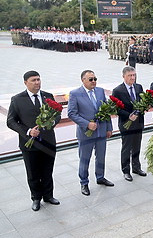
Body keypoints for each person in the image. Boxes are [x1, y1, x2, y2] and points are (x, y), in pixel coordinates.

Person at [7, 71, 61, 211]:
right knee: (33, 172)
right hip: (29, 144)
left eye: (38, 79)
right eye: (33, 80)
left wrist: (51, 123)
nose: (37, 82)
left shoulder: (47, 96)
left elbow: (57, 115)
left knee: (47, 171)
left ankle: (48, 196)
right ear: (25, 82)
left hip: (48, 141)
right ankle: (36, 197)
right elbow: (11, 121)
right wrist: (28, 131)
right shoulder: (17, 99)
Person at [68, 70, 114, 196]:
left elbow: (106, 109)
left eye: (95, 79)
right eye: (90, 79)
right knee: (84, 159)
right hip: (86, 133)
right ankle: (84, 182)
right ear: (83, 80)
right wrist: (87, 124)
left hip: (101, 131)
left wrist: (109, 127)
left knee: (101, 156)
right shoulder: (75, 94)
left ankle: (100, 177)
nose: (94, 81)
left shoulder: (100, 91)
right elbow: (71, 113)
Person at [112, 67, 146, 181]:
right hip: (126, 123)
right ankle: (126, 170)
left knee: (137, 145)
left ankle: (136, 167)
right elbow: (116, 109)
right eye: (130, 76)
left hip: (138, 122)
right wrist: (128, 115)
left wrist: (144, 108)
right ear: (124, 76)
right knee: (127, 147)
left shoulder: (138, 87)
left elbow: (142, 102)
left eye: (134, 75)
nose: (132, 78)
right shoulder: (118, 90)